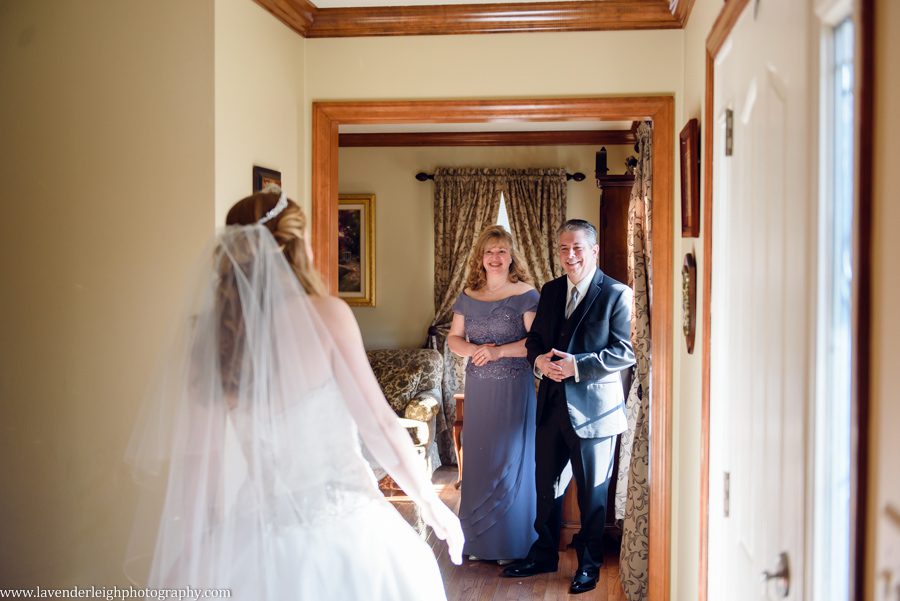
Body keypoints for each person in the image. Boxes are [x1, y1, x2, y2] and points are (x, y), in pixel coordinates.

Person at [125, 187, 463, 600]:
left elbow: (200, 466)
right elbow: (379, 424)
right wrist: (429, 502)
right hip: (348, 530)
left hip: (257, 536)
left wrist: (202, 553)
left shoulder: (214, 339)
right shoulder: (327, 316)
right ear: (296, 245)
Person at [501, 219, 635, 595]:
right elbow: (535, 341)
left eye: (577, 247)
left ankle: (589, 566)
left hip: (594, 412)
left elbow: (625, 351)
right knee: (546, 487)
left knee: (593, 493)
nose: (570, 255)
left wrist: (579, 366)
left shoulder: (617, 293)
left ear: (594, 250)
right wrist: (540, 362)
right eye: (563, 248)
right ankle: (544, 554)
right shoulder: (551, 290)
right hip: (551, 405)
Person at [447, 225, 539, 564]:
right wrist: (474, 350)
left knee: (506, 456)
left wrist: (498, 352)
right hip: (479, 387)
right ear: (481, 258)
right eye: (489, 251)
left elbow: (536, 342)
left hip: (513, 387)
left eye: (501, 251)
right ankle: (477, 541)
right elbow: (453, 339)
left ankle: (510, 543)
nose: (495, 257)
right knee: (479, 459)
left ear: (511, 256)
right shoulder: (468, 295)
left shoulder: (526, 294)